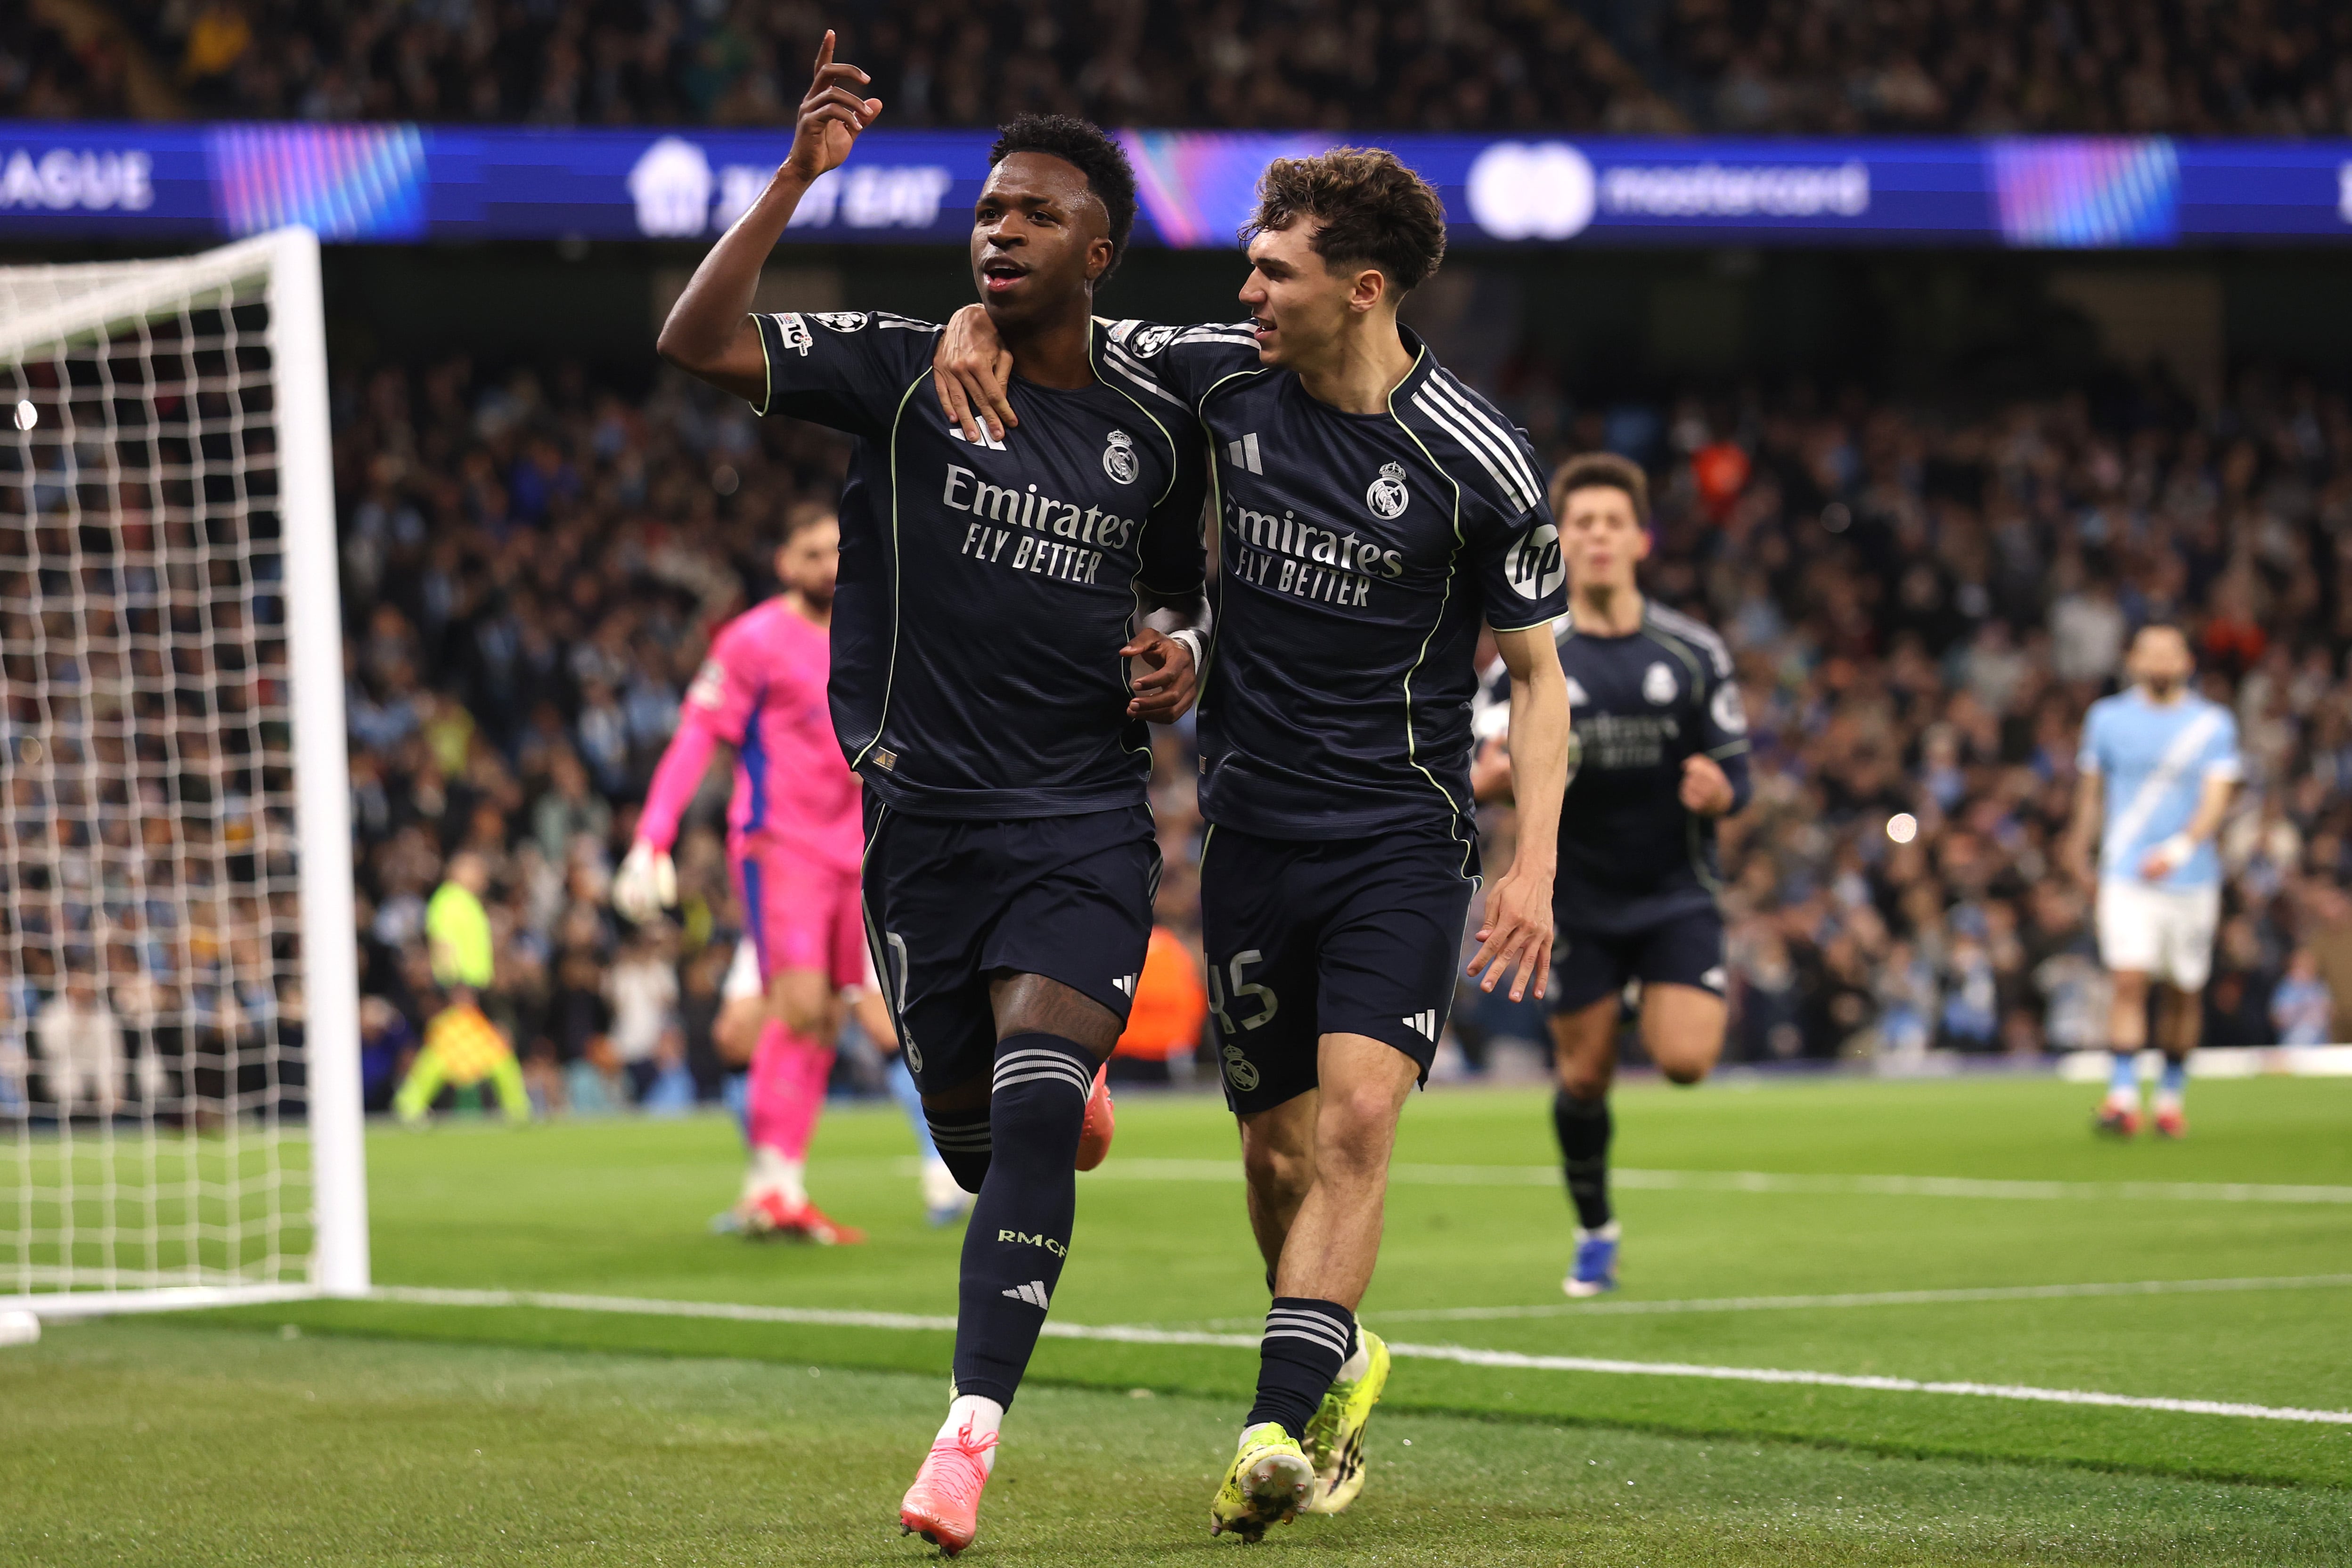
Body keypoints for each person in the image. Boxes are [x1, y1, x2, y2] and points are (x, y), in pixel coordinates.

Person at [934, 144, 1570, 1540]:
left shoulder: (1474, 456)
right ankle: (1338, 1351)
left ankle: (1275, 1427)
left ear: (1360, 288)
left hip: (1400, 840)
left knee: (1353, 1123)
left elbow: (1535, 679)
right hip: (1249, 838)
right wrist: (973, 320)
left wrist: (1528, 864)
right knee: (1274, 1154)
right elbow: (1061, 323)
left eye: (1272, 271)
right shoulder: (1220, 371)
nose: (1245, 291)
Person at [654, 35, 1209, 1555]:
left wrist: (1186, 650)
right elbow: (697, 341)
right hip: (920, 827)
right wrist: (791, 180)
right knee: (976, 1137)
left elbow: (1181, 597)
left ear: (1098, 247)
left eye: (1034, 213)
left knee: (1029, 1114)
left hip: (1082, 818)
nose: (1000, 229)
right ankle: (1045, 1078)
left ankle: (967, 1433)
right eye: (987, 211)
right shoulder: (904, 369)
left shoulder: (1156, 425)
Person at [1481, 454, 1748, 1296]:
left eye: (1611, 522)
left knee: (1686, 1060)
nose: (1597, 536)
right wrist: (1493, 776)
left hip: (1673, 891)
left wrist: (1721, 788)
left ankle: (1644, 992)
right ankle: (1596, 1229)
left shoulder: (1693, 650)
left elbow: (1737, 770)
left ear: (1640, 538)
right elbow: (1481, 759)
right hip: (1577, 902)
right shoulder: (1528, 653)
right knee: (1585, 1077)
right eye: (1581, 524)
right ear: (1562, 543)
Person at [614, 503, 870, 1243]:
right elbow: (698, 735)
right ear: (786, 565)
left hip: (857, 852)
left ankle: (774, 1184)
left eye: (840, 550)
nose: (832, 565)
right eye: (814, 553)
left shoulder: (873, 628)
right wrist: (652, 837)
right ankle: (775, 1186)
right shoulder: (753, 638)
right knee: (794, 1004)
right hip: (779, 844)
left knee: (826, 1015)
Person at [2066, 623, 2241, 1138]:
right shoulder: (2107, 718)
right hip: (2125, 872)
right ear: (2134, 661)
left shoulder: (2211, 724)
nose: (2161, 662)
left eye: (2170, 652)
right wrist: (2079, 848)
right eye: (2151, 652)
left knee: (2184, 990)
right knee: (2128, 979)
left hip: (2191, 877)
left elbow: (2217, 797)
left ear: (2186, 661)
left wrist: (2180, 848)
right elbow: (2091, 790)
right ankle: (2122, 1098)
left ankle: (2170, 1098)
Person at [393, 852, 530, 1125]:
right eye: (477, 871)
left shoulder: (465, 903)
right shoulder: (449, 902)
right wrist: (453, 985)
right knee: (488, 1049)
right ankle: (518, 1108)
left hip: (470, 987)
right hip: (459, 987)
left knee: (451, 1050)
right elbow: (443, 945)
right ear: (459, 872)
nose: (483, 878)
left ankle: (410, 1103)